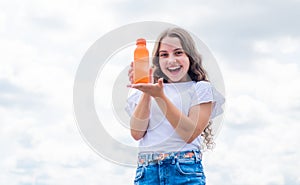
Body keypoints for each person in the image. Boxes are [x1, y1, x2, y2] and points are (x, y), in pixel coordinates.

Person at [126, 27, 225, 185]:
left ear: (190, 56)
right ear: (157, 60)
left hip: (184, 171)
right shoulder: (148, 90)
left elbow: (189, 133)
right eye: (164, 55)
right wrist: (147, 91)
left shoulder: (200, 88)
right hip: (148, 172)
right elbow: (137, 133)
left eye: (178, 53)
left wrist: (159, 97)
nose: (171, 60)